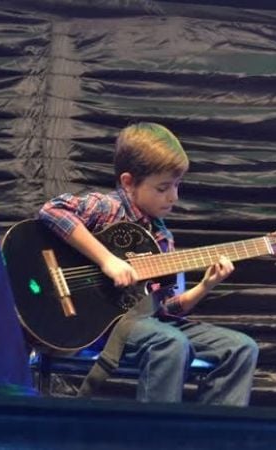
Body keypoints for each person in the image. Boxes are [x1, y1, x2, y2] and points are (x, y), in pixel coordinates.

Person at [38, 122, 258, 405]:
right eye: (163, 188)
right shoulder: (108, 208)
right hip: (104, 324)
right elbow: (52, 211)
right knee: (170, 344)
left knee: (240, 348)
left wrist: (205, 286)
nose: (173, 197)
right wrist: (107, 261)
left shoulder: (162, 236)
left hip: (150, 323)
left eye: (177, 186)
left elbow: (167, 308)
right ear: (128, 182)